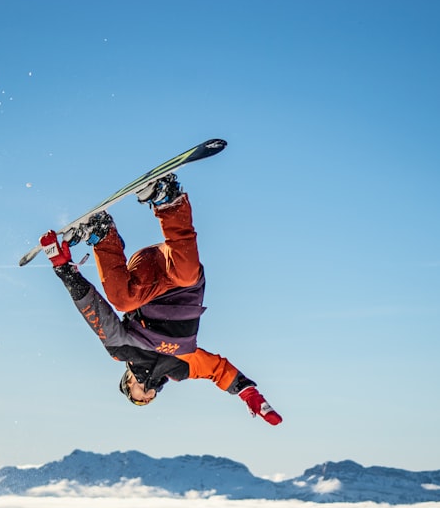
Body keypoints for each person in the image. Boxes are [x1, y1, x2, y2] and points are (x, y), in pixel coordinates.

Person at [39, 174, 282, 425]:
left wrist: (63, 269)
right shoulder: (181, 368)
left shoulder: (123, 350)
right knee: (187, 274)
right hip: (179, 276)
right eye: (149, 401)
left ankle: (103, 235)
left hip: (146, 280)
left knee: (122, 301)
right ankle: (168, 200)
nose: (146, 398)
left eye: (137, 399)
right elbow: (218, 370)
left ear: (128, 383)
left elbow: (94, 312)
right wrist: (249, 394)